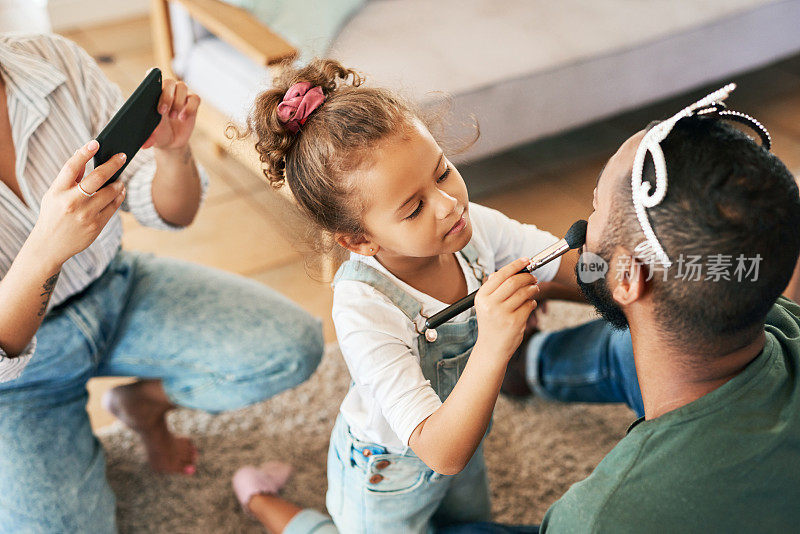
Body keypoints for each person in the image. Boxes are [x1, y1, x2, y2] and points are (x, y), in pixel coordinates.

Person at [228, 58, 583, 534]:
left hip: (464, 428)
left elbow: (567, 262)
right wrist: (496, 343)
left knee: (471, 524)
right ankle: (261, 500)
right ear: (359, 241)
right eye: (414, 208)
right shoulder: (362, 308)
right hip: (389, 474)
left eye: (441, 172)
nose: (448, 203)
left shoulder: (470, 225)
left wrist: (620, 272)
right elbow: (439, 452)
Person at [0, 33, 323, 532]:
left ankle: (140, 406)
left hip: (115, 289)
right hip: (18, 381)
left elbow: (177, 211)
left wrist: (174, 153)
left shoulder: (50, 60)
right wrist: (46, 248)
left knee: (293, 346)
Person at [443, 86, 800, 532]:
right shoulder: (768, 308)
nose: (583, 223)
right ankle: (533, 364)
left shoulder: (601, 517)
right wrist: (548, 282)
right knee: (628, 343)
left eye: (595, 207)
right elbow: (620, 277)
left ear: (629, 279)